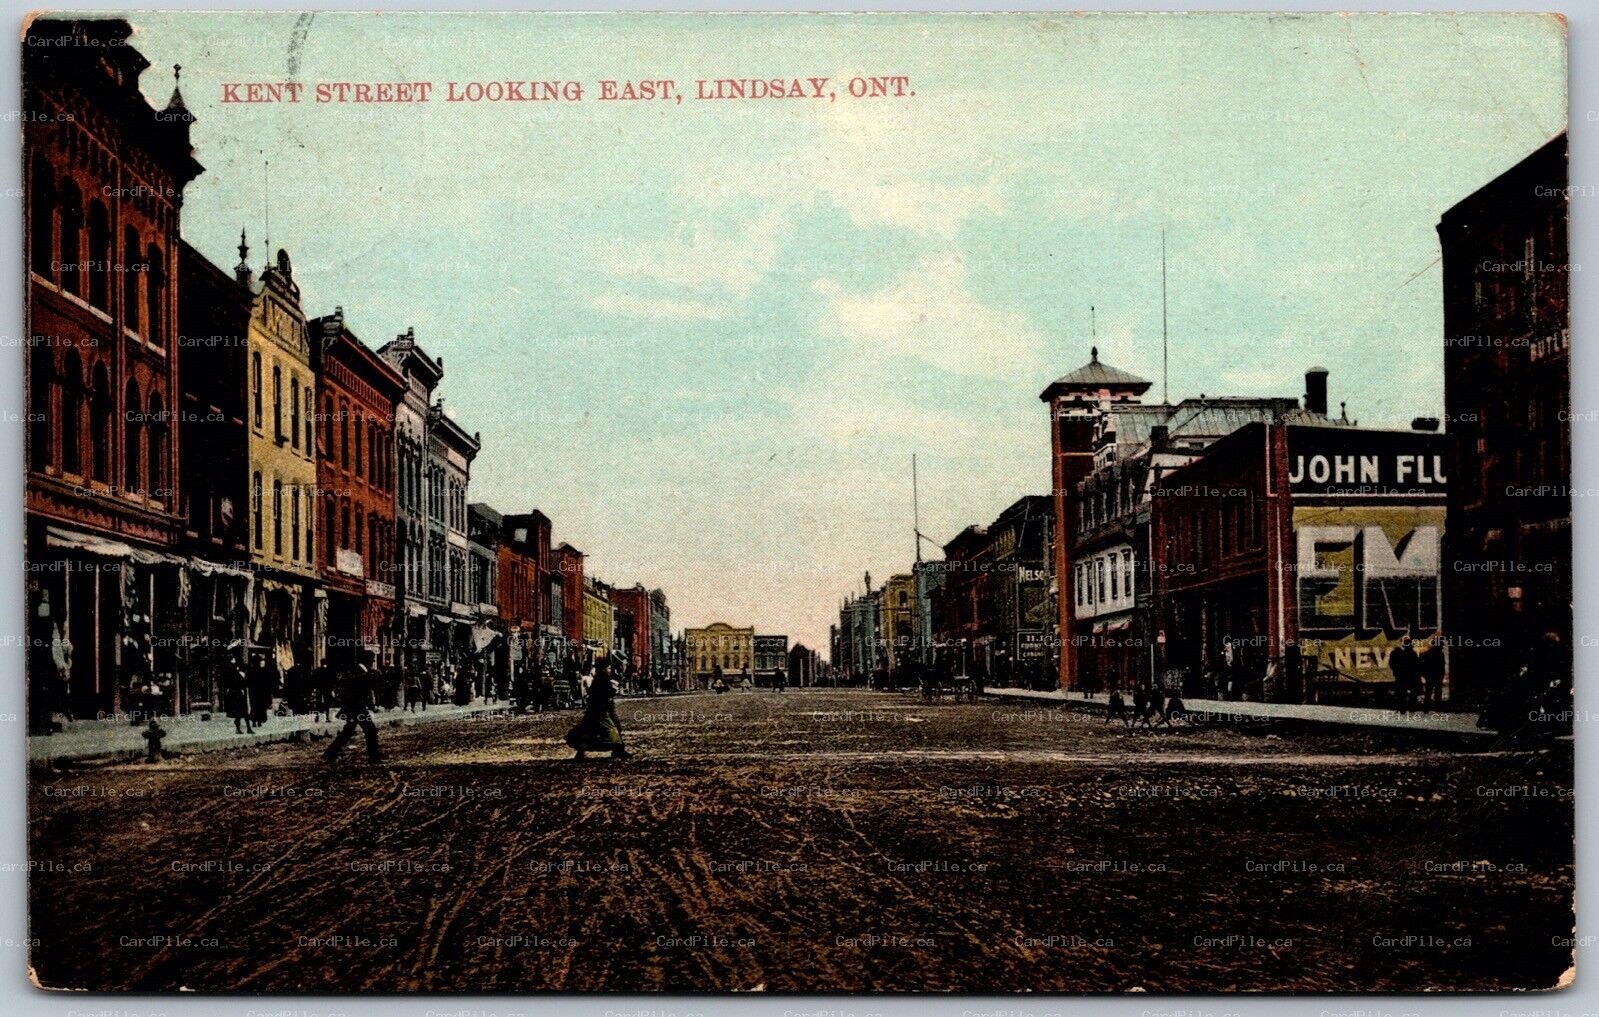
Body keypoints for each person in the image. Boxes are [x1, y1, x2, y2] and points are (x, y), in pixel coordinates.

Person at [323, 649, 382, 766]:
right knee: (370, 730)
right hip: (357, 707)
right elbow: (361, 692)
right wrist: (371, 706)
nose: (372, 663)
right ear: (367, 661)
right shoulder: (360, 673)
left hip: (353, 707)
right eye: (371, 660)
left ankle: (330, 753)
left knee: (348, 732)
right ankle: (374, 757)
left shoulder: (358, 671)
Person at [564, 660, 629, 760]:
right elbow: (604, 695)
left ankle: (582, 751)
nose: (610, 670)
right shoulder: (602, 680)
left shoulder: (600, 680)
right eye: (609, 668)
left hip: (596, 711)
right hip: (601, 711)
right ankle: (618, 750)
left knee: (589, 731)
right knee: (611, 731)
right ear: (604, 669)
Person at [222, 645, 253, 735]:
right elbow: (231, 680)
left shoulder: (236, 667)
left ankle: (247, 728)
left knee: (243, 711)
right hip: (236, 692)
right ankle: (241, 728)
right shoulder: (231, 668)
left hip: (240, 692)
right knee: (240, 712)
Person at [1390, 634, 1420, 716]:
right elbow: (1417, 666)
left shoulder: (1400, 653)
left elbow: (1394, 665)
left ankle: (1402, 709)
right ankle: (1411, 708)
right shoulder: (1413, 654)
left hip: (1401, 676)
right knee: (1412, 693)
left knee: (1401, 693)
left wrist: (1396, 672)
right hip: (1411, 676)